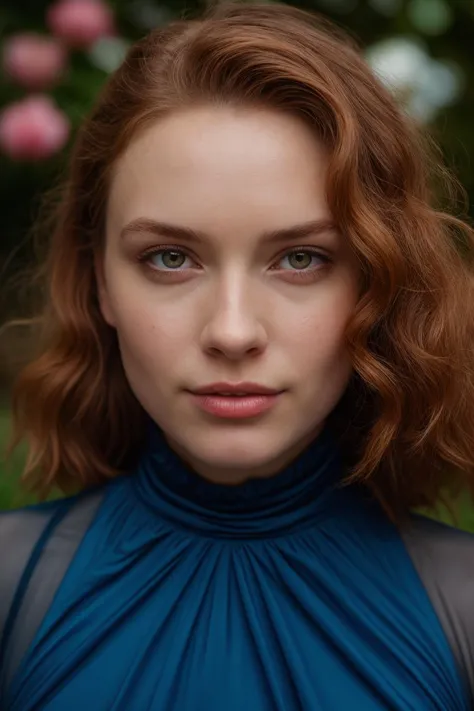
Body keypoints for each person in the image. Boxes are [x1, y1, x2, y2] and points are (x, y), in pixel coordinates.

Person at [1, 1, 474, 708]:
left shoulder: (462, 607)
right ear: (100, 279)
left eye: (301, 258)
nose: (230, 331)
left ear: (377, 280)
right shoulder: (12, 585)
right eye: (169, 257)